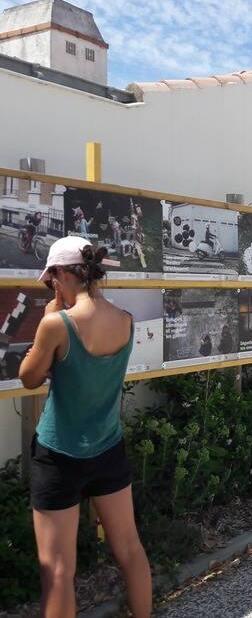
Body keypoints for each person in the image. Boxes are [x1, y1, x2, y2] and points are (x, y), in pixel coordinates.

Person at [19, 236, 151, 618]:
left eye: (51, 279)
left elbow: (29, 377)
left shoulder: (57, 325)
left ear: (63, 274)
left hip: (59, 455)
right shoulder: (125, 320)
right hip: (108, 448)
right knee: (129, 548)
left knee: (57, 571)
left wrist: (48, 317)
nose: (51, 287)